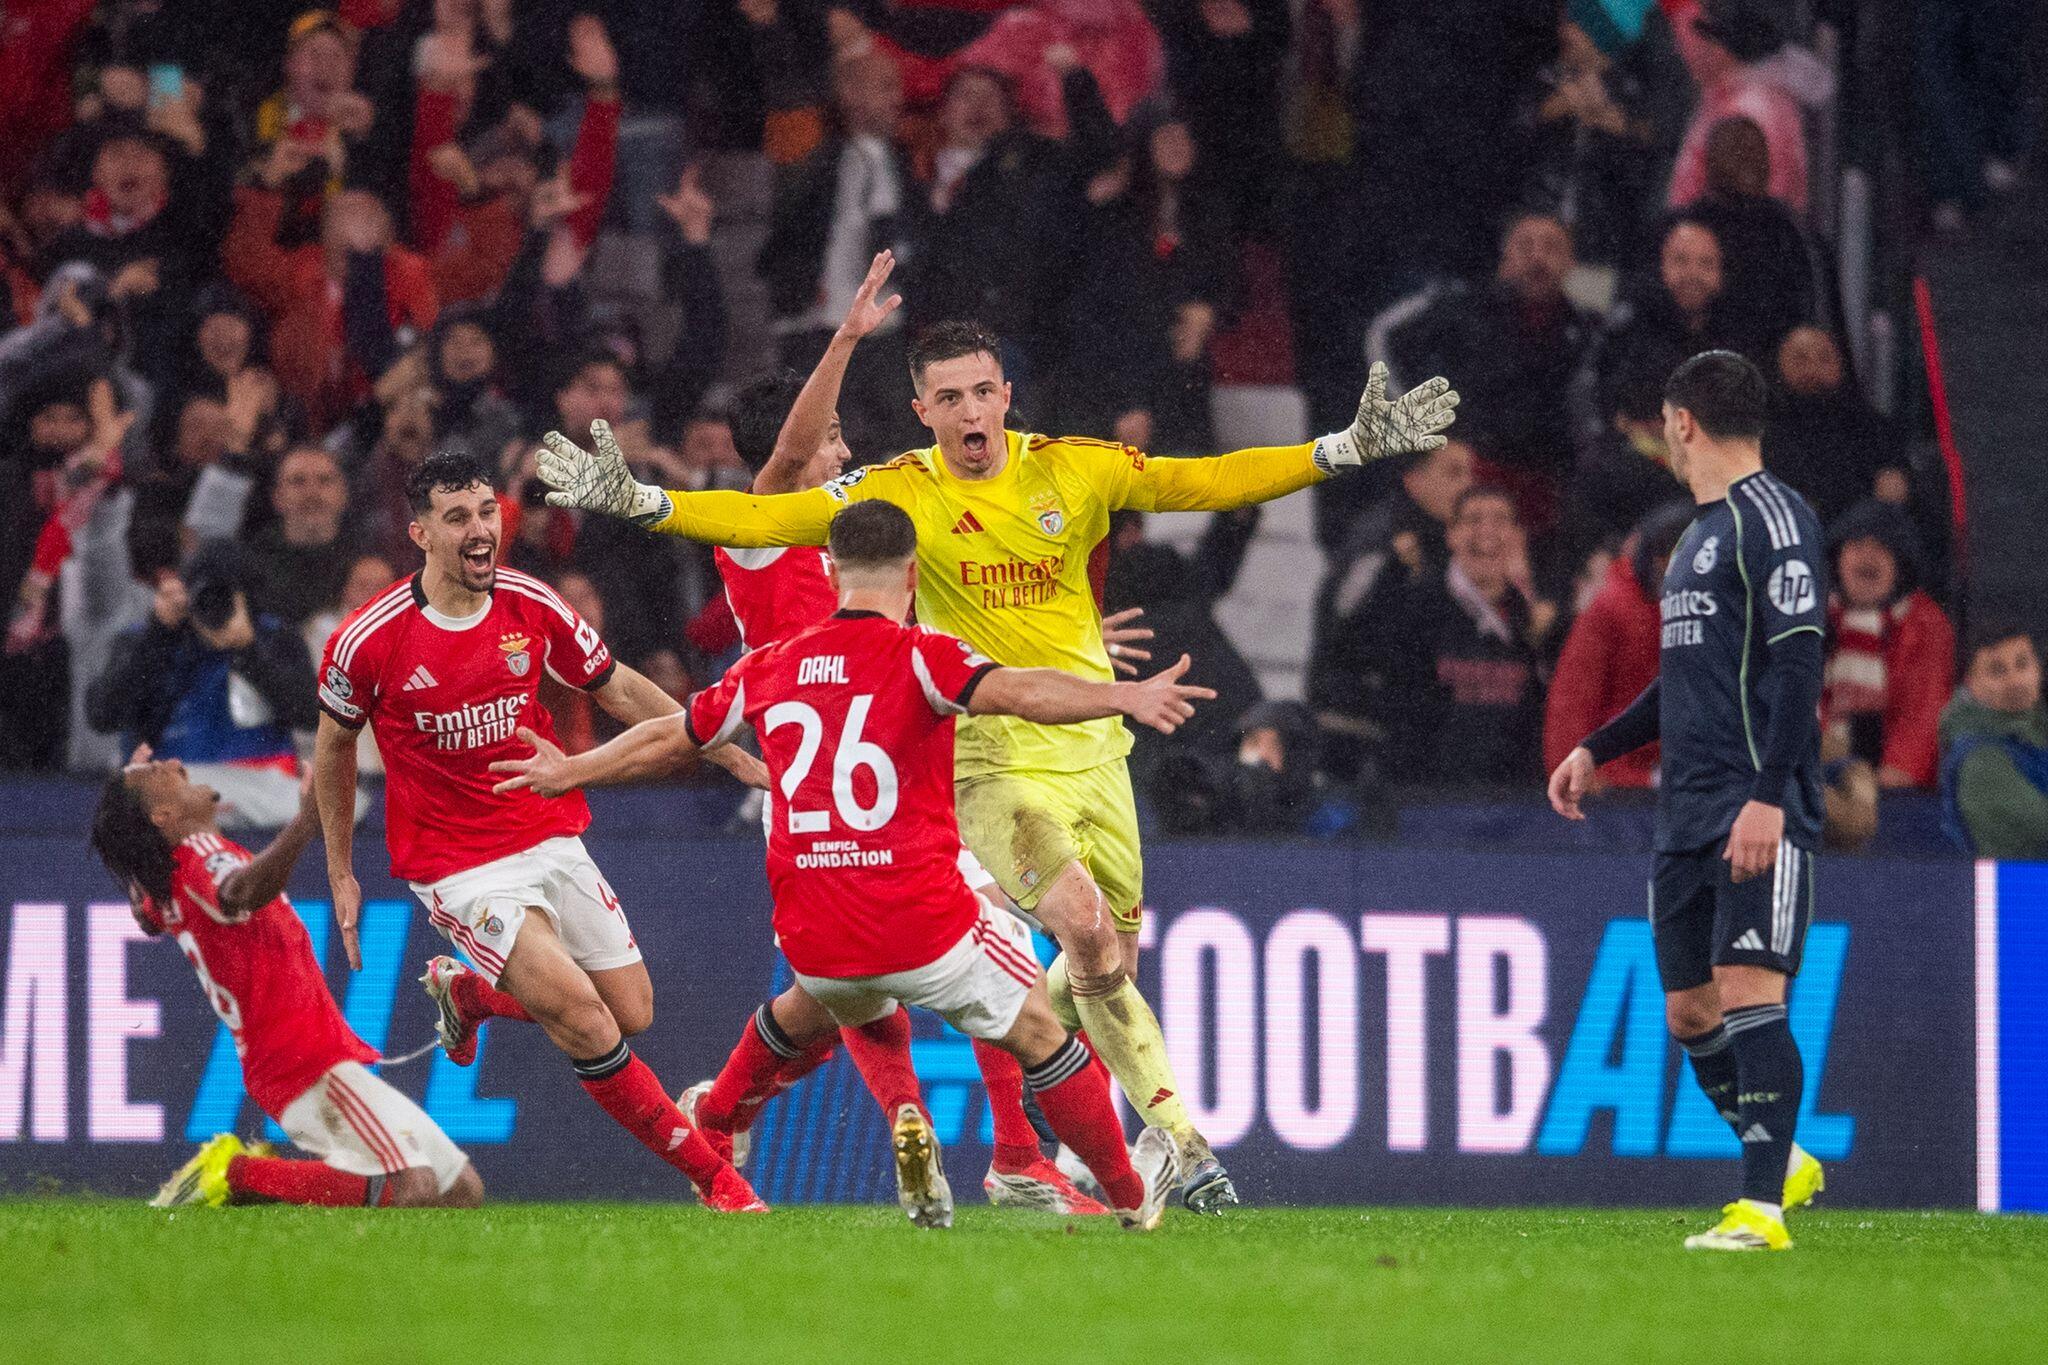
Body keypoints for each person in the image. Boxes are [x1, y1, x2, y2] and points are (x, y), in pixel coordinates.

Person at [535, 318, 1460, 1212]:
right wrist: (646, 499)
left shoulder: (1021, 485)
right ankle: (1098, 1150)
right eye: (949, 398)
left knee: (901, 983)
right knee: (998, 951)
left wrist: (1336, 451)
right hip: (908, 773)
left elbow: (1204, 482)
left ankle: (749, 1112)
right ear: (923, 410)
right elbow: (759, 506)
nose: (970, 411)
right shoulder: (843, 507)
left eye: (983, 391)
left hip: (985, 757)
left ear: (1006, 395)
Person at [491, 500, 1195, 1231]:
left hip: (818, 942)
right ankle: (1124, 1194)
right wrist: (1123, 694)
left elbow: (671, 735)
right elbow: (1021, 691)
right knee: (1040, 1026)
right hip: (922, 925)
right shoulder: (924, 655)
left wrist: (573, 769)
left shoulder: (768, 665)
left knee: (835, 1002)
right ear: (913, 575)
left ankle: (833, 1111)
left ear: (829, 575)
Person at [686, 256, 1109, 1216]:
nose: (843, 453)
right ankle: (1008, 1153)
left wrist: (1073, 647)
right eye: (833, 437)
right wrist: (844, 340)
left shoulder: (859, 542)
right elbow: (792, 458)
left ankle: (719, 1114)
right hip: (829, 789)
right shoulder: (760, 525)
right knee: (967, 955)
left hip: (888, 776)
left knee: (837, 998)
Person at [311, 450, 766, 1214]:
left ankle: (470, 994)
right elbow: (333, 748)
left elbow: (617, 687)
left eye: (487, 511)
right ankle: (716, 1178)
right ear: (421, 534)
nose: (479, 529)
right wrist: (339, 869)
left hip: (546, 829)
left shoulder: (531, 602)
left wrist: (715, 743)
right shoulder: (370, 638)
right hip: (457, 864)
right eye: (458, 517)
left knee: (631, 1010)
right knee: (584, 1017)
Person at [1548, 350, 1827, 1252]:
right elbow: (1685, 678)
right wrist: (1598, 746)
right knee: (1690, 1011)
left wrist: (1770, 796)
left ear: (1682, 421)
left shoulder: (1774, 516)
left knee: (1750, 994)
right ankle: (1783, 1157)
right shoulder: (1698, 535)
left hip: (1752, 804)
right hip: (1687, 810)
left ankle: (1760, 1211)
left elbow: (1800, 666)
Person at [93, 748, 480, 1210]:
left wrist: (136, 856)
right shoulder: (200, 854)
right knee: (414, 1184)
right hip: (301, 1060)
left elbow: (151, 915)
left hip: (295, 1058)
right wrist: (306, 822)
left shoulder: (171, 879)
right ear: (163, 816)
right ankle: (236, 1174)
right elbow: (240, 892)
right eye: (159, 772)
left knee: (460, 1188)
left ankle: (247, 1177)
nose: (176, 764)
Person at [87, 540, 320, 828]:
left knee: (342, 803)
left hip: (262, 796)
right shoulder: (148, 638)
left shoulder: (274, 637)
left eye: (225, 600)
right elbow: (103, 716)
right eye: (206, 598)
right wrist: (158, 636)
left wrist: (249, 651)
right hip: (171, 800)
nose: (215, 609)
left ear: (246, 601)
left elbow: (311, 717)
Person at [1307, 438, 1476, 781]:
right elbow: (1342, 622)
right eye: (1453, 473)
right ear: (1414, 479)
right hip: (1360, 727)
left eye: (1470, 474)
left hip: (1406, 723)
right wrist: (1397, 574)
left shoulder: (1442, 540)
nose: (1467, 486)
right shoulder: (1382, 538)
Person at [1376, 486, 1551, 786]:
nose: (1487, 531)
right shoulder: (1417, 604)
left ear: (1517, 536)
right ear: (1452, 534)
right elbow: (1399, 710)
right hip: (1433, 795)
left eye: (1500, 520)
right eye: (1473, 519)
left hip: (1512, 799)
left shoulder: (1534, 619)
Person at [1545, 500, 1695, 790]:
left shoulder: (1715, 610)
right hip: (1616, 785)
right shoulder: (1612, 609)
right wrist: (1572, 776)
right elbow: (1572, 704)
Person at [1821, 500, 1955, 791]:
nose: (1868, 555)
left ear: (1900, 565)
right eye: (1857, 545)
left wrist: (1898, 769)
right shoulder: (1815, 617)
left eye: (1882, 547)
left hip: (1893, 784)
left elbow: (1925, 708)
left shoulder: (1923, 621)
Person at [1940, 625, 2048, 859]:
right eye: (1997, 671)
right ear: (1972, 684)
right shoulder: (1979, 760)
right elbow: (2038, 830)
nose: (2015, 680)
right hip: (2020, 880)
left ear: (2038, 670)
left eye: (2022, 664)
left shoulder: (2038, 733)